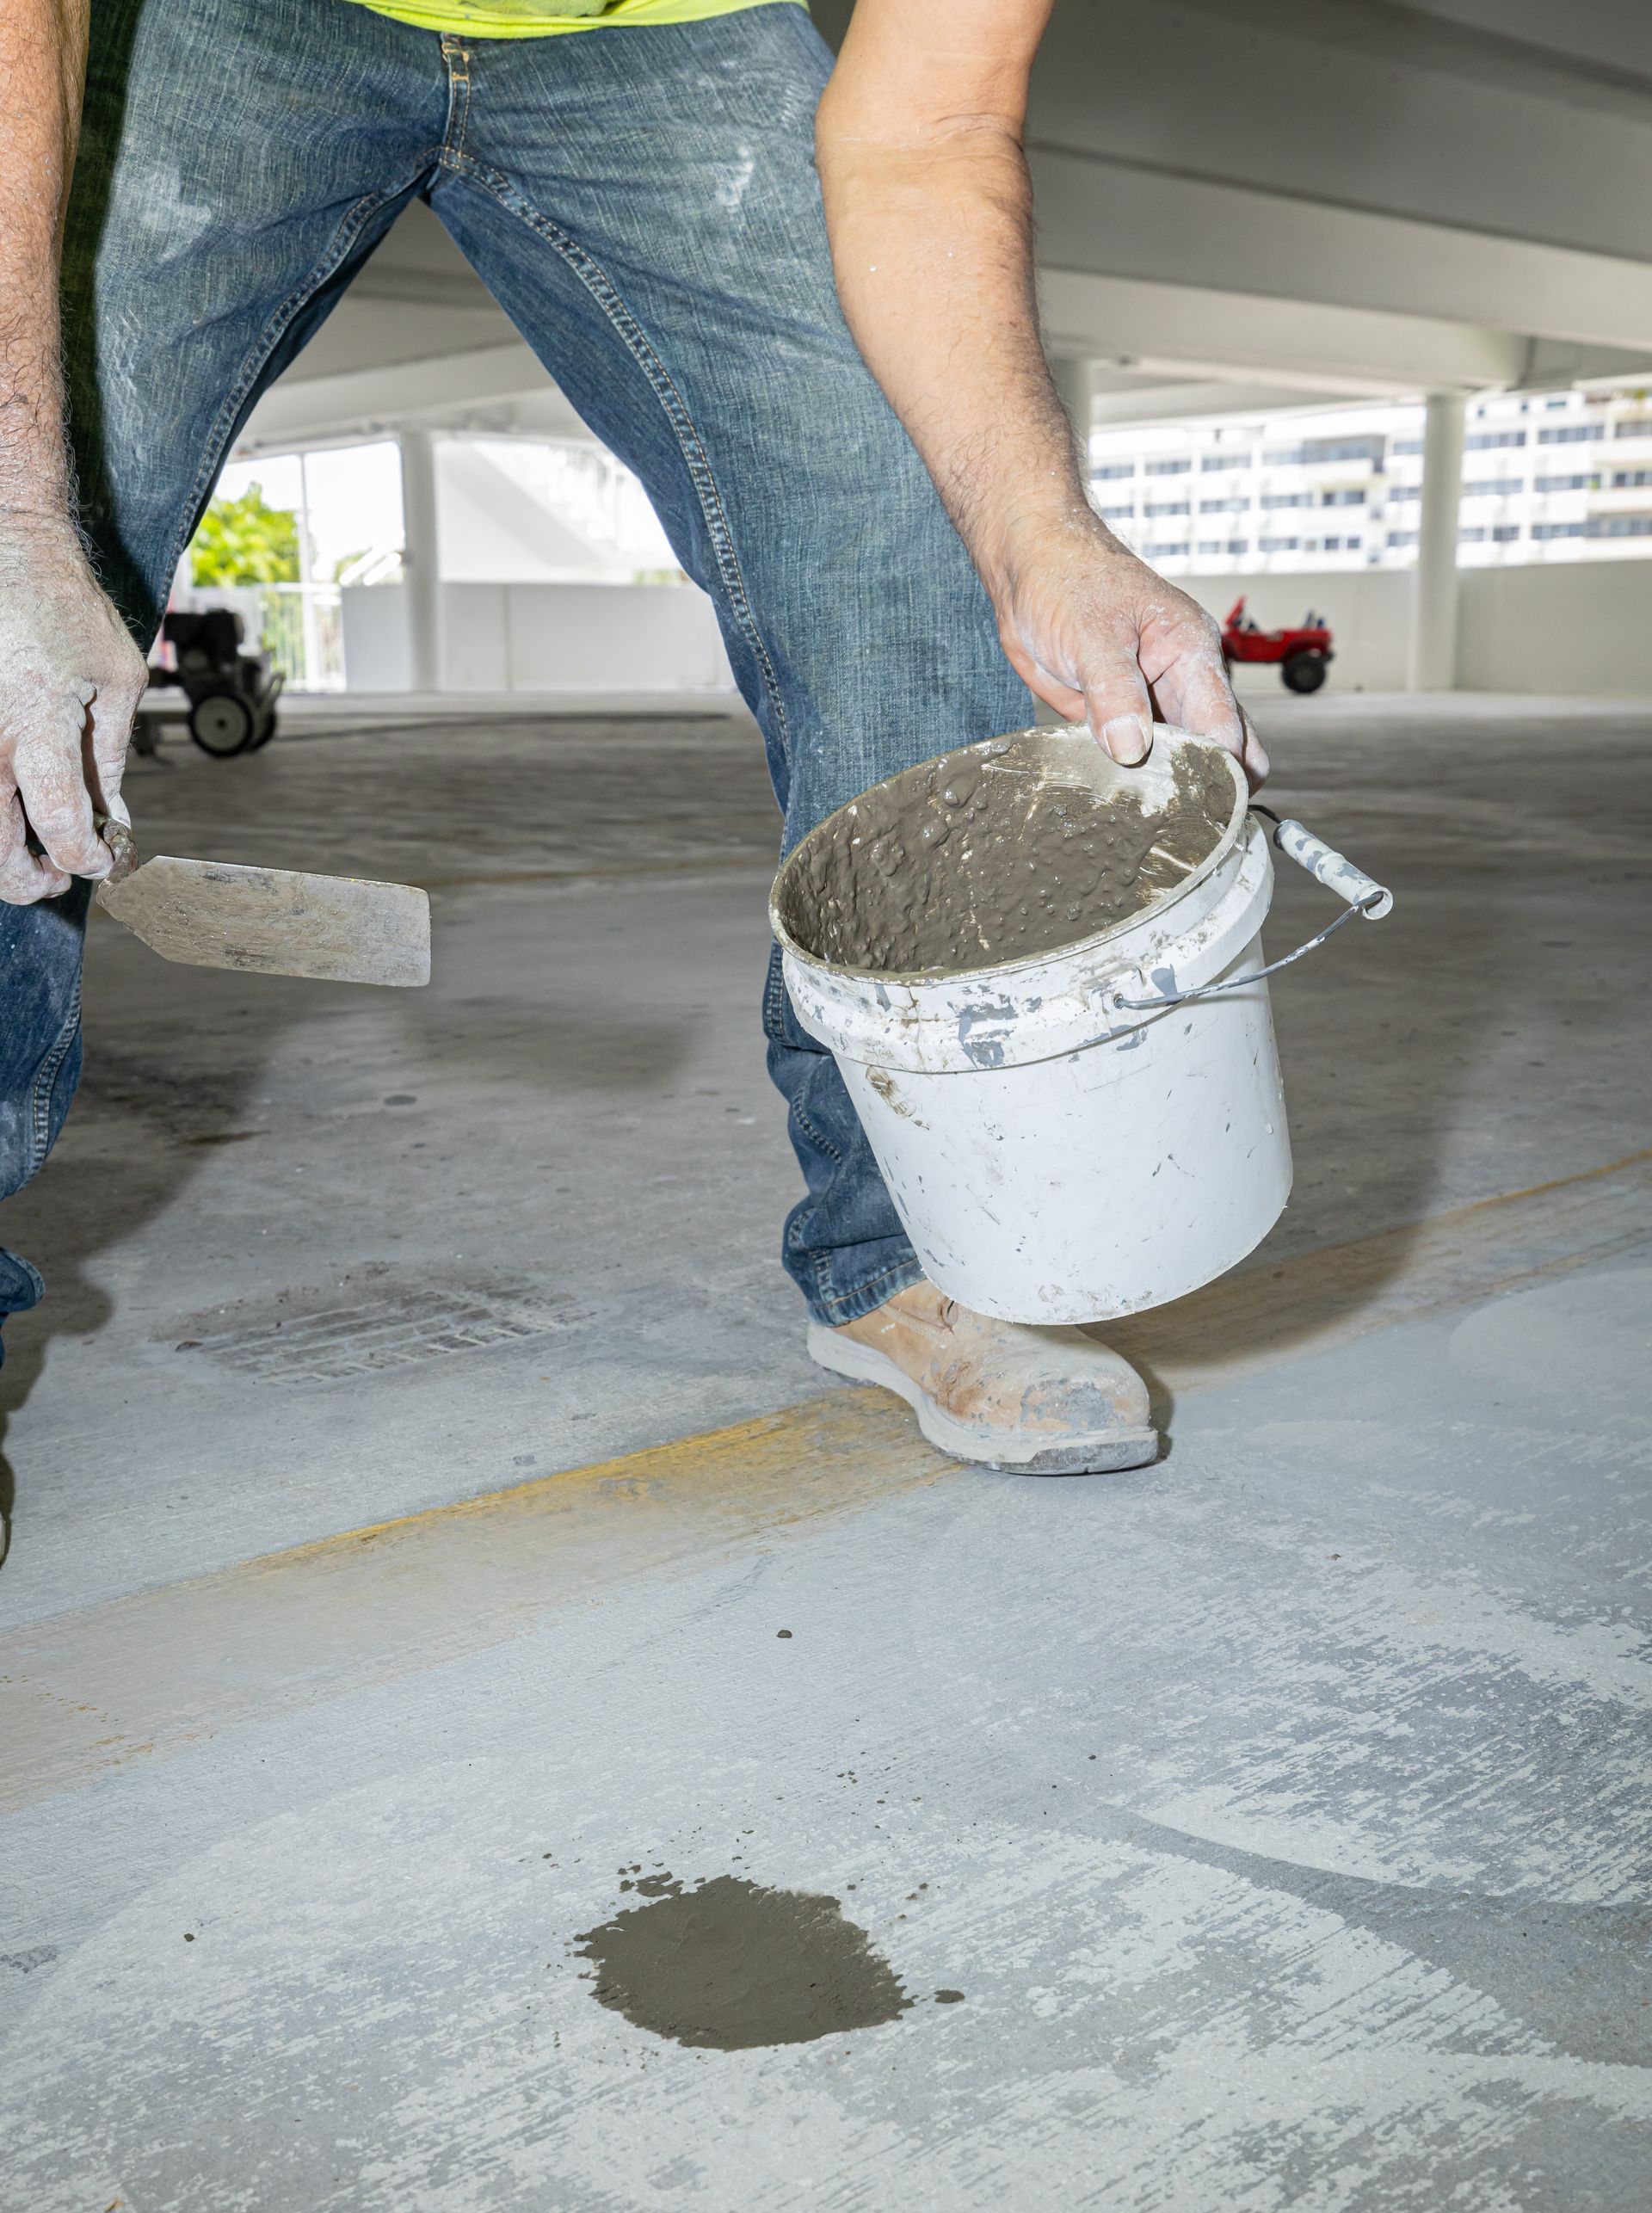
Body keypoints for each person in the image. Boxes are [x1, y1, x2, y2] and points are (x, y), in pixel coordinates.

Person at [0, 0, 1264, 1476]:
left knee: (910, 536)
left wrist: (1042, 530)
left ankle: (920, 1252)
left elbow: (929, 131)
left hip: (673, 27)